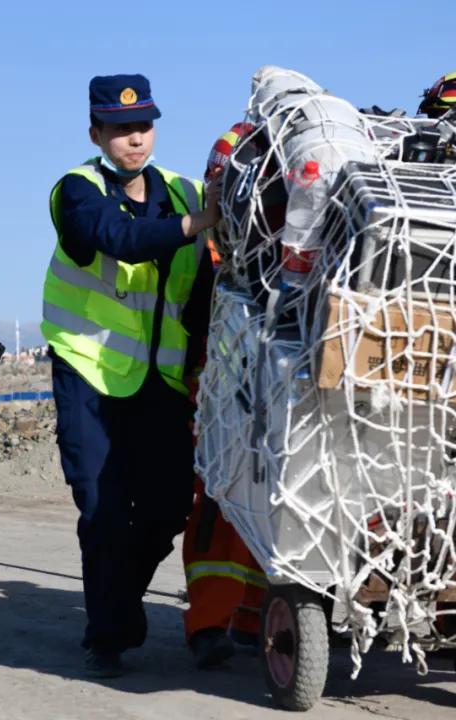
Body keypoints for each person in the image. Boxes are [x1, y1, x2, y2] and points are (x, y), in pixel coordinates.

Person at [41, 74, 222, 677]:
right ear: (97, 133)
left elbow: (205, 288)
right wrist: (199, 225)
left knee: (171, 507)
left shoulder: (185, 191)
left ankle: (119, 602)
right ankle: (110, 636)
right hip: (90, 376)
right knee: (103, 509)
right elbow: (119, 239)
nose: (134, 139)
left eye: (142, 126)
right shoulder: (77, 191)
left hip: (162, 383)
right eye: (120, 130)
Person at [180, 123, 268, 669]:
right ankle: (212, 622)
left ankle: (263, 613)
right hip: (219, 388)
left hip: (288, 386)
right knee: (223, 503)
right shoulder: (205, 251)